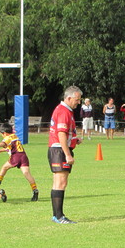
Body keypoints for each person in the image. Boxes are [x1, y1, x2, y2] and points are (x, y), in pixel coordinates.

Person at [48, 86, 83, 224]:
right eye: (77, 99)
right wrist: (68, 154)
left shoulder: (63, 110)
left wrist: (74, 140)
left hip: (57, 149)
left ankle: (57, 215)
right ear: (68, 98)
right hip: (59, 151)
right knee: (61, 182)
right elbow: (61, 133)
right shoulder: (64, 111)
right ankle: (59, 216)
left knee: (58, 182)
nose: (78, 102)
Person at [0, 123, 39, 201]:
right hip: (23, 156)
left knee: (4, 167)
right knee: (26, 173)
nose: (2, 136)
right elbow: (10, 148)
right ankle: (35, 190)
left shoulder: (8, 137)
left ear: (4, 133)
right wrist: (0, 150)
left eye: (2, 134)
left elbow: (3, 143)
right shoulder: (15, 136)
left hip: (16, 156)